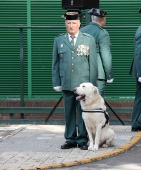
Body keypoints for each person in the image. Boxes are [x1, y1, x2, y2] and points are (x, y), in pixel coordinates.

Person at [52, 10, 98, 150]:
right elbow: (55, 63)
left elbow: (93, 64)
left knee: (84, 113)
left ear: (79, 24)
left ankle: (82, 139)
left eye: (74, 23)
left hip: (83, 85)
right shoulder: (59, 40)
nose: (71, 26)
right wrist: (56, 82)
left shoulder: (88, 39)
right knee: (69, 112)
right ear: (65, 24)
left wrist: (93, 85)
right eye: (68, 23)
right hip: (66, 83)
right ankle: (70, 139)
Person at [80, 8, 113, 97]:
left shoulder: (81, 31)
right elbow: (106, 56)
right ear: (102, 19)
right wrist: (109, 75)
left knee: (83, 103)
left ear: (92, 18)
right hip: (98, 74)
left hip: (82, 73)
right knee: (96, 103)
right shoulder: (103, 33)